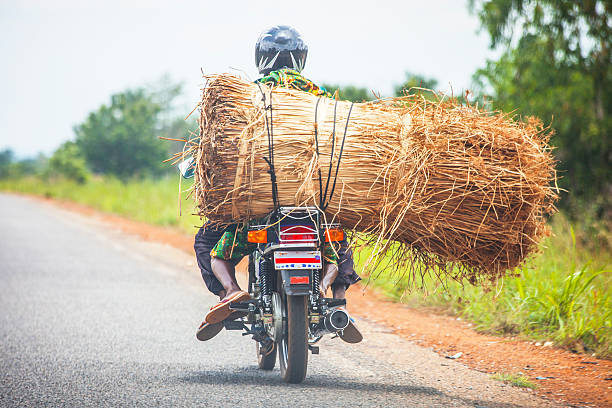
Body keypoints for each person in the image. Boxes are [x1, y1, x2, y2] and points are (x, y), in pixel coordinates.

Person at [192, 25, 361, 343]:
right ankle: (335, 296)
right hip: (314, 204)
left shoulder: (247, 99)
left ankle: (230, 292)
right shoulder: (321, 101)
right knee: (339, 243)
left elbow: (225, 146)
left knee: (207, 241)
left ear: (261, 59)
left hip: (262, 204)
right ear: (300, 58)